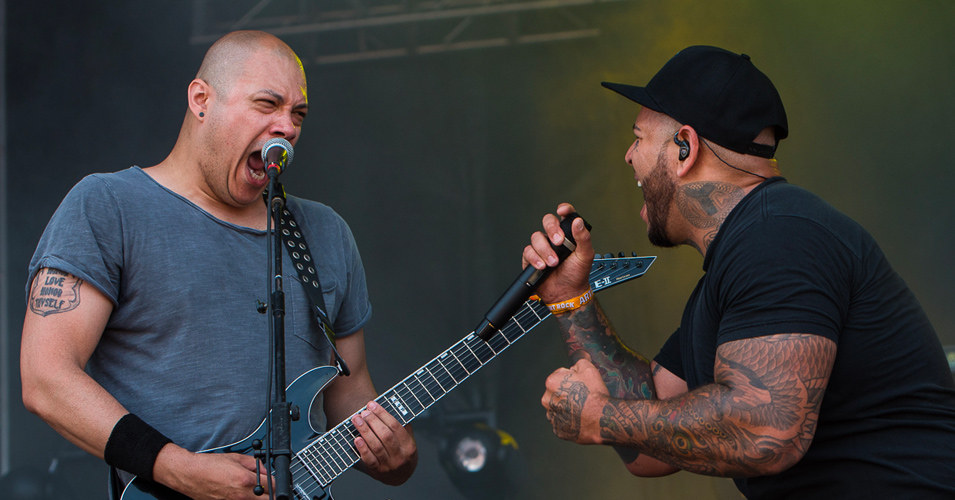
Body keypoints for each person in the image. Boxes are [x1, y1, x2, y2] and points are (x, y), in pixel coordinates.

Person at [523, 46, 955, 499]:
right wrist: (570, 298)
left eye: (638, 138)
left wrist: (600, 417)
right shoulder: (740, 264)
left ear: (685, 147)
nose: (629, 157)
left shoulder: (781, 235)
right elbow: (650, 450)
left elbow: (766, 431)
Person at [20, 30, 417, 499]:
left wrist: (395, 456)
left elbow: (350, 400)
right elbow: (46, 379)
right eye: (267, 104)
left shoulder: (325, 233)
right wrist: (177, 469)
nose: (288, 127)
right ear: (201, 100)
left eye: (298, 114)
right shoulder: (108, 206)